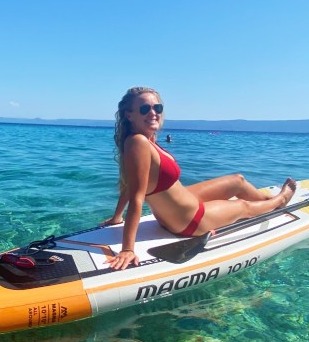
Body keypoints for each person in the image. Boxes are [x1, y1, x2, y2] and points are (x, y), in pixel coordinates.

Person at [102, 87, 296, 270]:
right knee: (242, 206)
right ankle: (279, 201)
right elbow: (136, 195)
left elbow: (128, 184)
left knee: (238, 180)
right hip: (188, 221)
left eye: (157, 108)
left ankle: (266, 201)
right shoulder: (138, 142)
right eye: (145, 109)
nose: (153, 113)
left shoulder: (146, 138)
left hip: (183, 203)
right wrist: (128, 249)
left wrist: (117, 217)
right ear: (129, 115)